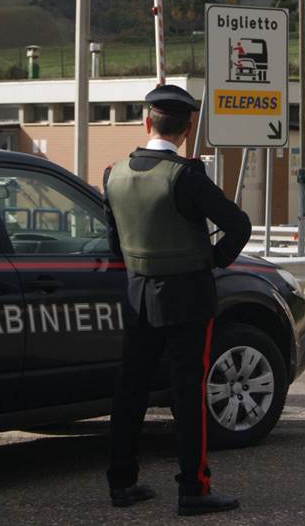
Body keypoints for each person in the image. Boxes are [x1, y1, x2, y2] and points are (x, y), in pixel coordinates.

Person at [103, 84, 252, 516]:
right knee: (187, 393)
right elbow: (238, 225)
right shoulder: (187, 176)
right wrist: (215, 259)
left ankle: (122, 482)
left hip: (137, 293)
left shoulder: (114, 173)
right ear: (187, 130)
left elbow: (115, 242)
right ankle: (193, 489)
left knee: (129, 390)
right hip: (187, 296)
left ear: (147, 122)